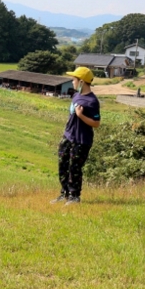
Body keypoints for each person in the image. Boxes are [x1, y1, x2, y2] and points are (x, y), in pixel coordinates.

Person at [53, 67, 101, 205]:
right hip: (68, 136)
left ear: (81, 82)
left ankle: (75, 197)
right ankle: (64, 194)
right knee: (63, 164)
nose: (72, 82)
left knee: (74, 168)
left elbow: (96, 123)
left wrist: (81, 116)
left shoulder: (92, 101)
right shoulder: (76, 96)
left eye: (74, 79)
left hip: (81, 140)